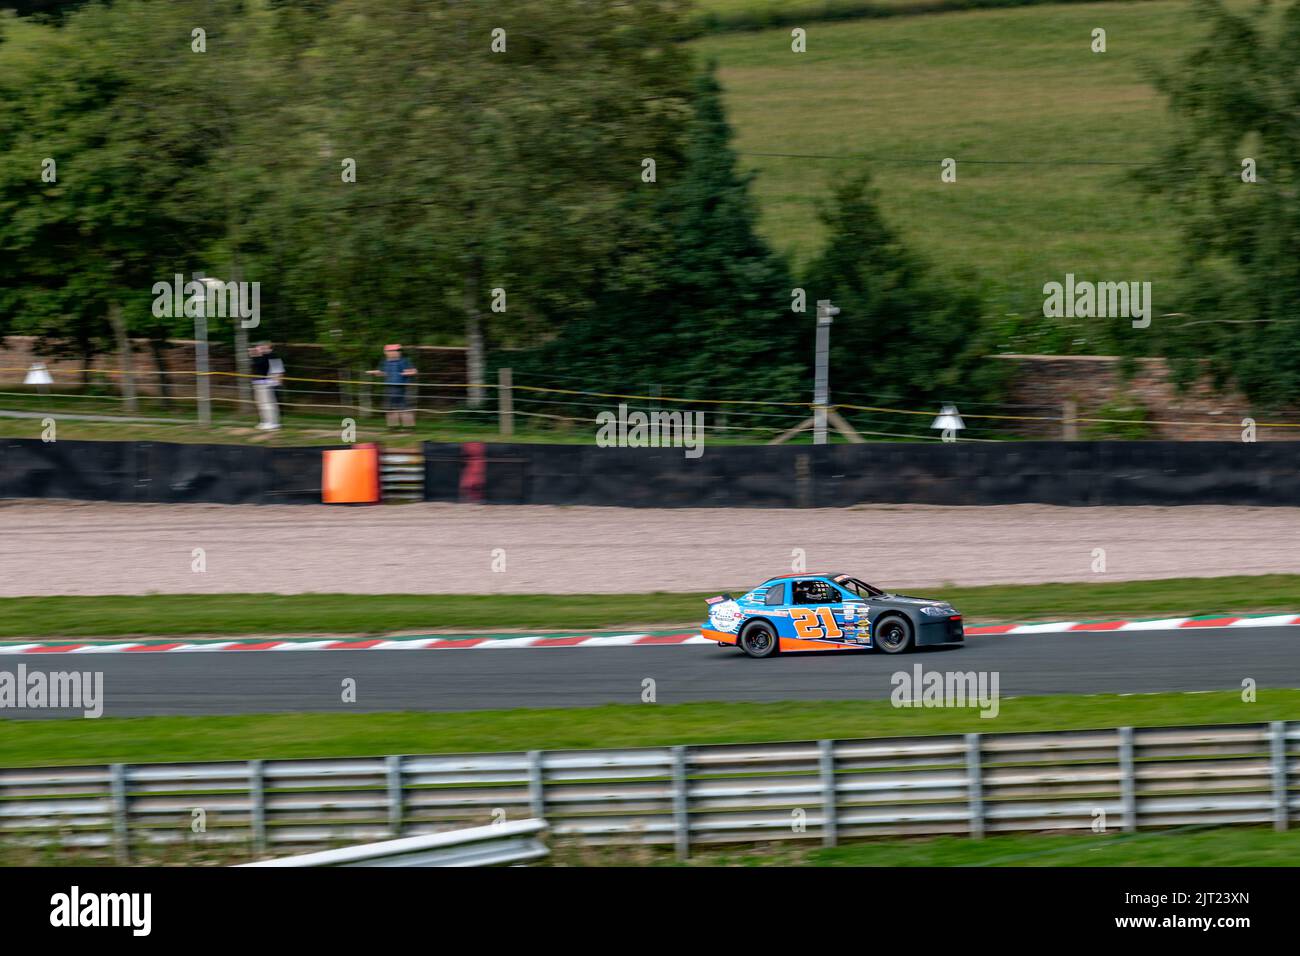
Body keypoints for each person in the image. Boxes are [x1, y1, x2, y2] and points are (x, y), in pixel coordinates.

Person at [367, 343, 417, 428]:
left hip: (401, 388)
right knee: (390, 408)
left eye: (397, 351)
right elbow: (384, 374)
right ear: (386, 352)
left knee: (404, 407)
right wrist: (376, 373)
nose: (395, 352)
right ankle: (393, 427)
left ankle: (409, 427)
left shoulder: (404, 361)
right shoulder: (385, 362)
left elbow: (414, 371)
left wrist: (407, 373)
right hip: (389, 387)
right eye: (390, 351)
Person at [249, 342, 283, 431]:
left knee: (268, 404)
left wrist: (276, 381)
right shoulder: (261, 356)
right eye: (260, 346)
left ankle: (272, 423)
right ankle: (265, 421)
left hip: (265, 383)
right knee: (261, 404)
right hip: (258, 382)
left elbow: (277, 370)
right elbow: (256, 365)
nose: (260, 347)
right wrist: (256, 354)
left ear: (269, 347)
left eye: (263, 346)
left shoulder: (272, 356)